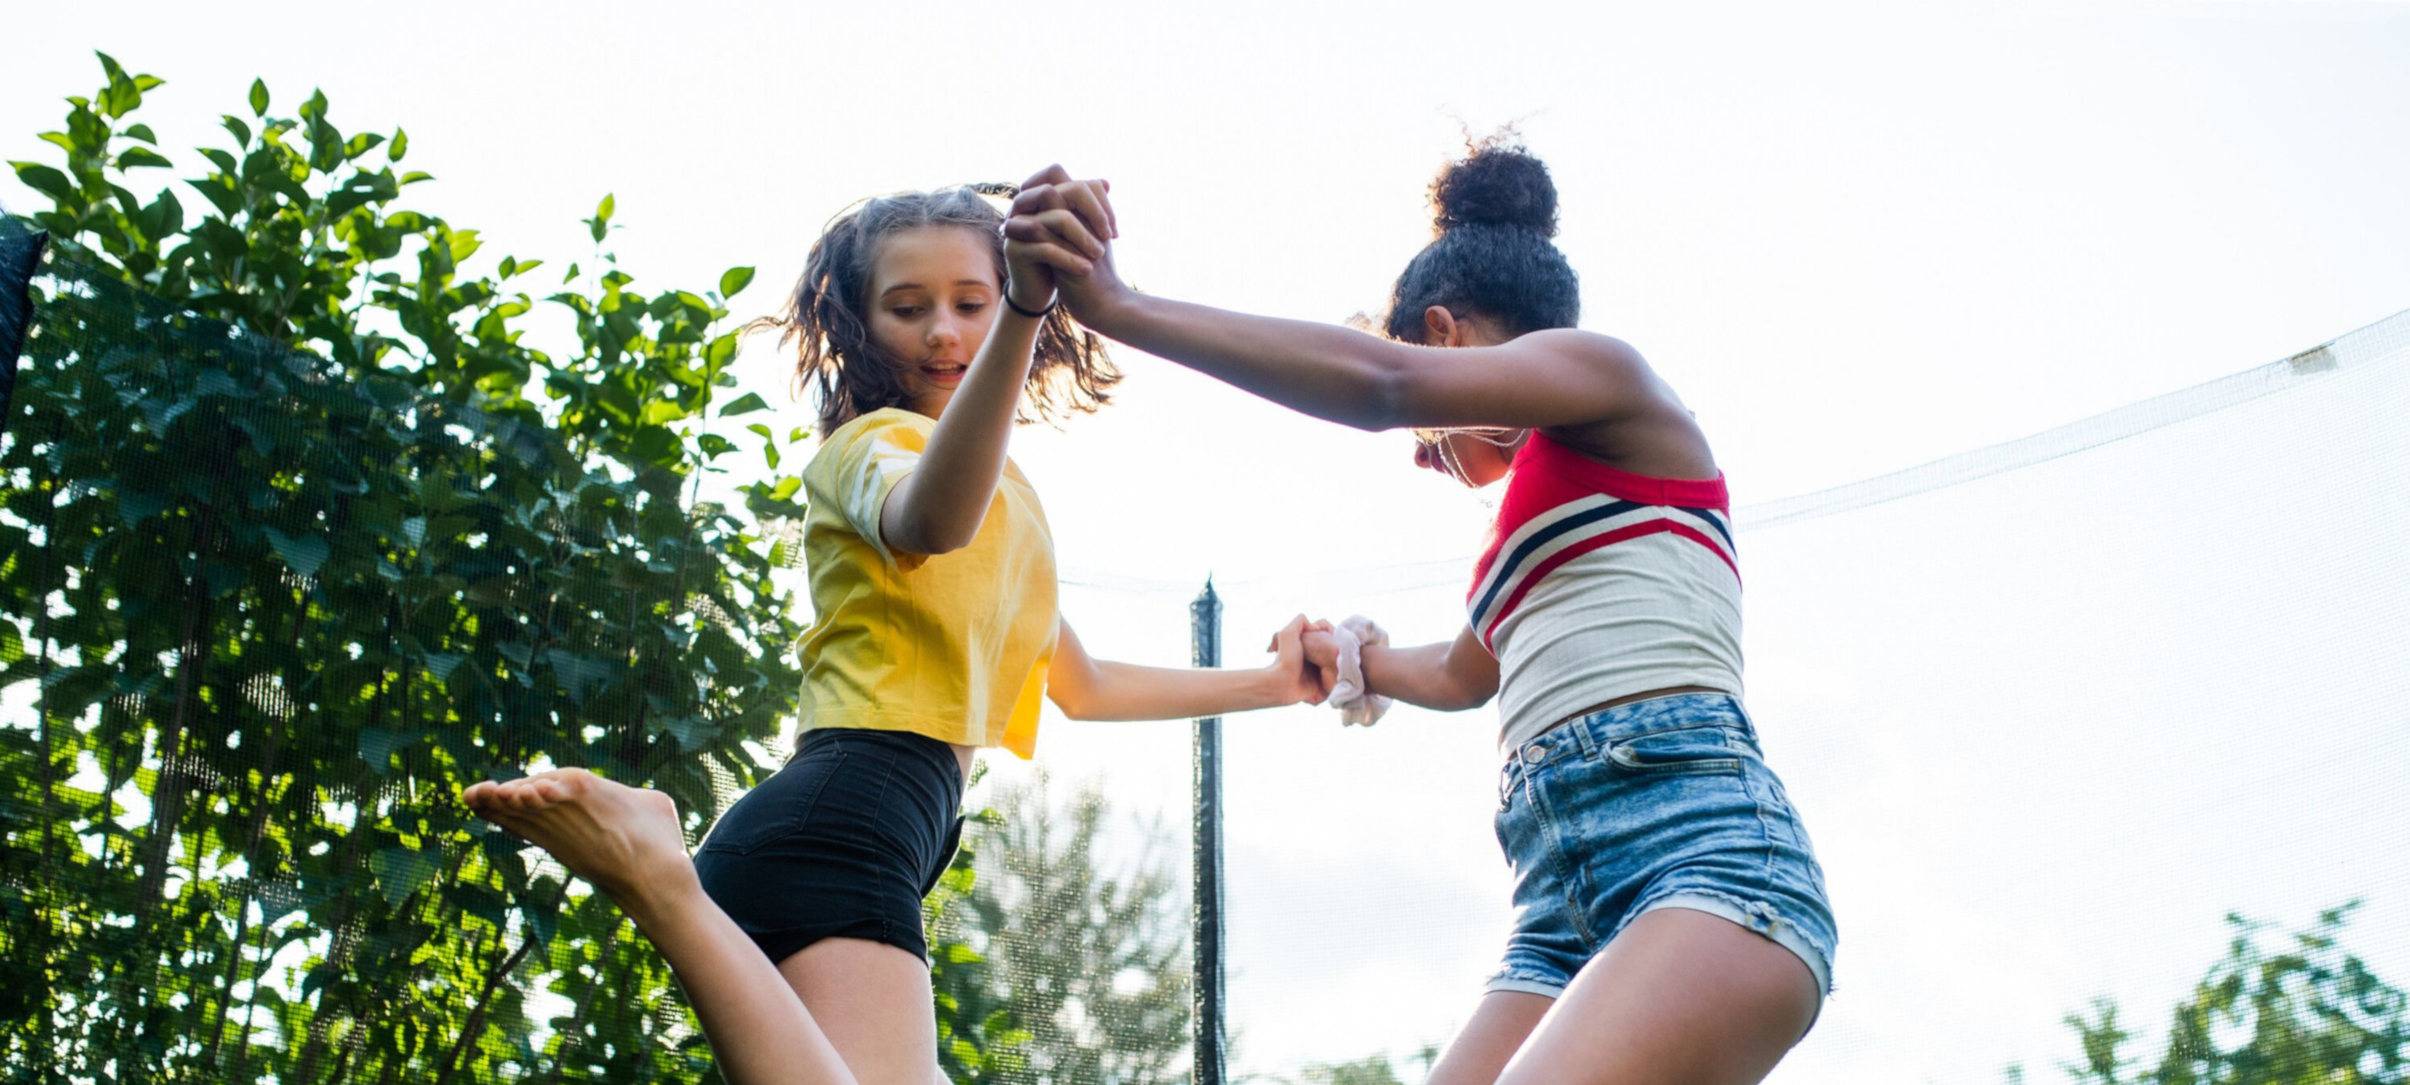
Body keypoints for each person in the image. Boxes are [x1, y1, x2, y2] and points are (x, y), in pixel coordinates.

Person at [466, 164, 1325, 1085]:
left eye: (972, 301)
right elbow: (928, 521)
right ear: (858, 325)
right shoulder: (869, 447)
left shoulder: (1009, 496)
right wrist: (1025, 313)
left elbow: (1084, 685)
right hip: (843, 819)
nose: (945, 330)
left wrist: (1274, 682)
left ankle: (669, 882)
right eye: (908, 307)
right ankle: (658, 880)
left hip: (870, 834)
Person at [1021, 139, 1838, 1085]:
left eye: (1428, 434)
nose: (1423, 453)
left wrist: (1121, 308)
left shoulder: (1613, 380)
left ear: (1442, 338)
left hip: (1706, 862)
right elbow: (1458, 674)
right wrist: (1350, 653)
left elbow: (1383, 385)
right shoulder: (1536, 531)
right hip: (1559, 909)